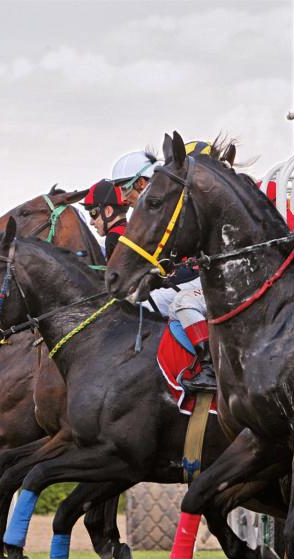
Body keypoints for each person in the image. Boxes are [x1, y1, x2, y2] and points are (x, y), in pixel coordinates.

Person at [109, 144, 217, 393]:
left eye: (125, 188)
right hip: (192, 277)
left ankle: (208, 365)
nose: (123, 197)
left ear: (141, 182)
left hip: (205, 279)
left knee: (165, 303)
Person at [82, 179, 128, 258]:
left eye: (93, 213)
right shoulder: (132, 231)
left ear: (108, 211)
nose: (91, 222)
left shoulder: (113, 237)